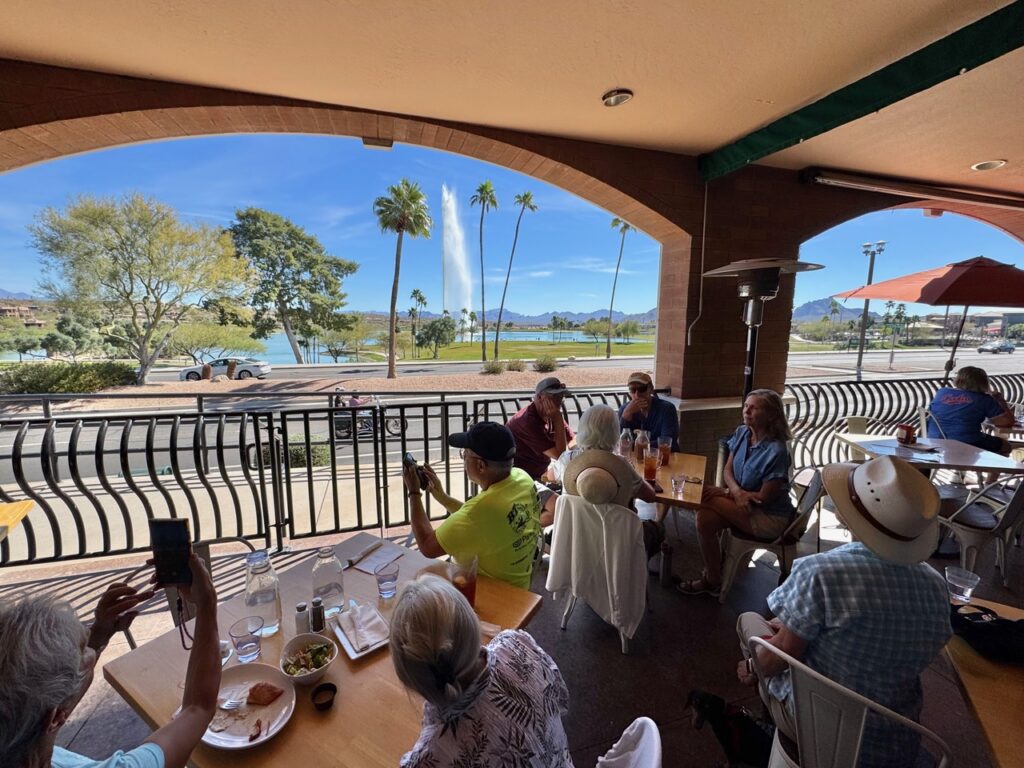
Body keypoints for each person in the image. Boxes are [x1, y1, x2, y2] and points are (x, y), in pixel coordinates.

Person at [735, 456, 951, 768]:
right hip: (895, 742)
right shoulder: (936, 588)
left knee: (749, 622)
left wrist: (754, 667)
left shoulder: (821, 572)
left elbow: (774, 661)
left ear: (851, 517)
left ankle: (770, 727)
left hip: (821, 730)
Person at [0, 554, 221, 768]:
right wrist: (207, 603)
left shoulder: (15, 739)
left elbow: (40, 706)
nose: (90, 651)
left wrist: (99, 633)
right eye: (82, 650)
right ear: (55, 718)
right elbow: (197, 708)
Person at [390, 575, 573, 768]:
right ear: (472, 626)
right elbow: (561, 700)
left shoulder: (428, 760)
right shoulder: (517, 645)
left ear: (409, 680)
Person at [680, 389, 794, 597]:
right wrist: (732, 491)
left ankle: (678, 500)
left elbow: (762, 497)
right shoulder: (742, 433)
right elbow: (727, 470)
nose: (747, 411)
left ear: (771, 415)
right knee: (704, 519)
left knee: (703, 497)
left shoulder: (777, 451)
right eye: (746, 406)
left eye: (754, 408)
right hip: (741, 504)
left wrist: (725, 493)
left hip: (768, 517)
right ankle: (714, 578)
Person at [402, 421, 541, 589]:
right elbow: (480, 521)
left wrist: (414, 493)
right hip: (521, 585)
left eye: (465, 454)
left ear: (481, 465)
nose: (464, 459)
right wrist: (442, 497)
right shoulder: (522, 478)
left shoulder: (481, 511)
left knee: (417, 581)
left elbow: (427, 546)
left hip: (494, 593)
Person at [927, 365, 1014, 483]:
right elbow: (1006, 422)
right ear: (983, 382)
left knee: (967, 435)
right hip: (966, 444)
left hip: (935, 441)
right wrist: (1000, 399)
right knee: (1005, 446)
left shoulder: (942, 392)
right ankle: (990, 484)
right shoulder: (984, 399)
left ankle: (958, 475)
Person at [506, 377, 575, 480]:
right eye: (554, 397)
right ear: (539, 398)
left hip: (539, 474)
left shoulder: (550, 414)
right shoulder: (528, 421)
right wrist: (558, 419)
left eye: (561, 397)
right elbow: (560, 455)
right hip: (519, 479)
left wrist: (578, 451)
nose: (558, 402)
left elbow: (572, 439)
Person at [617, 371, 679, 451]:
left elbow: (667, 441)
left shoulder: (666, 409)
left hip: (665, 458)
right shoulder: (624, 409)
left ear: (651, 389)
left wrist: (637, 445)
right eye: (633, 390)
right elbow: (621, 442)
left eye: (642, 389)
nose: (637, 394)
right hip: (635, 459)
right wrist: (626, 415)